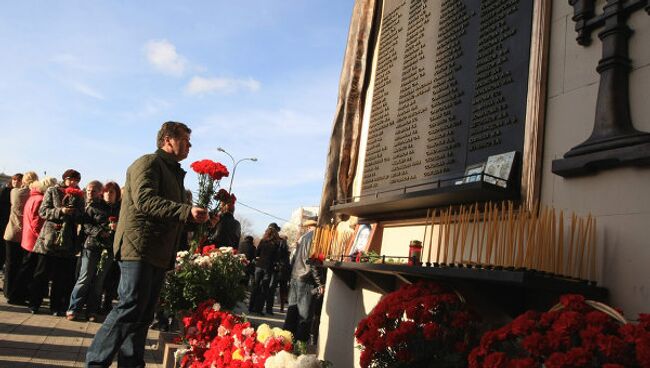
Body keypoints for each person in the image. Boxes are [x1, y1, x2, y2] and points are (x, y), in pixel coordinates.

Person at [86, 121, 208, 367]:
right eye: (185, 139)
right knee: (129, 307)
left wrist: (195, 219)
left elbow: (169, 214)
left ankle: (132, 363)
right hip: (138, 248)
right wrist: (185, 211)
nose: (189, 145)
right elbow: (145, 201)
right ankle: (96, 362)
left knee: (142, 315)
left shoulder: (173, 172)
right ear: (167, 140)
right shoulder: (148, 163)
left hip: (157, 251)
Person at [30, 169, 84, 315]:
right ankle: (35, 302)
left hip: (67, 241)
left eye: (76, 180)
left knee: (61, 277)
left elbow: (81, 215)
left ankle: (56, 306)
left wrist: (74, 213)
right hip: (49, 237)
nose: (73, 182)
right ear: (65, 179)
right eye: (71, 179)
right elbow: (43, 211)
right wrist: (60, 211)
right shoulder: (53, 190)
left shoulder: (79, 195)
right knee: (42, 273)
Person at [67, 180, 114, 321]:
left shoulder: (116, 208)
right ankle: (73, 308)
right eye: (88, 190)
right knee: (84, 278)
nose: (89, 193)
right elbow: (86, 225)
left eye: (112, 192)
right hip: (91, 246)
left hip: (108, 249)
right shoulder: (92, 207)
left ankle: (92, 311)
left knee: (99, 281)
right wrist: (99, 232)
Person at [11, 177, 57, 304]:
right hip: (35, 240)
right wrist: (42, 238)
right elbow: (37, 223)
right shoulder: (40, 199)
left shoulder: (33, 197)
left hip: (28, 237)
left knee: (26, 268)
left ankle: (17, 294)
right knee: (30, 270)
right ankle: (18, 295)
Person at [283, 219, 323, 342]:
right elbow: (312, 262)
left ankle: (286, 342)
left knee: (292, 312)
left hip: (296, 277)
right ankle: (300, 347)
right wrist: (319, 282)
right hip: (306, 279)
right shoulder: (316, 238)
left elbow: (294, 259)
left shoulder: (303, 237)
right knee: (304, 317)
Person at [3, 171, 38, 301]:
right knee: (19, 265)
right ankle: (14, 292)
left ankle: (8, 291)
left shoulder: (15, 192)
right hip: (23, 234)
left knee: (10, 264)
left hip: (11, 231)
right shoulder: (31, 195)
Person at [98, 181, 122, 315]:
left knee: (112, 279)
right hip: (101, 246)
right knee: (100, 278)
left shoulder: (121, 209)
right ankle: (95, 305)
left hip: (116, 247)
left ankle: (107, 304)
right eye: (106, 191)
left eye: (112, 192)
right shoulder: (98, 206)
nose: (108, 194)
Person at [248, 224, 281, 315]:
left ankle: (251, 307)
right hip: (268, 268)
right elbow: (276, 258)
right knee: (264, 289)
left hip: (259, 266)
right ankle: (259, 309)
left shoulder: (262, 241)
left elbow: (257, 253)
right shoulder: (276, 244)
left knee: (256, 287)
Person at [0, 174, 19, 271]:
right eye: (14, 180)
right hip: (3, 223)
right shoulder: (6, 191)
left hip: (10, 224)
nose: (15, 182)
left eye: (18, 180)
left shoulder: (18, 192)